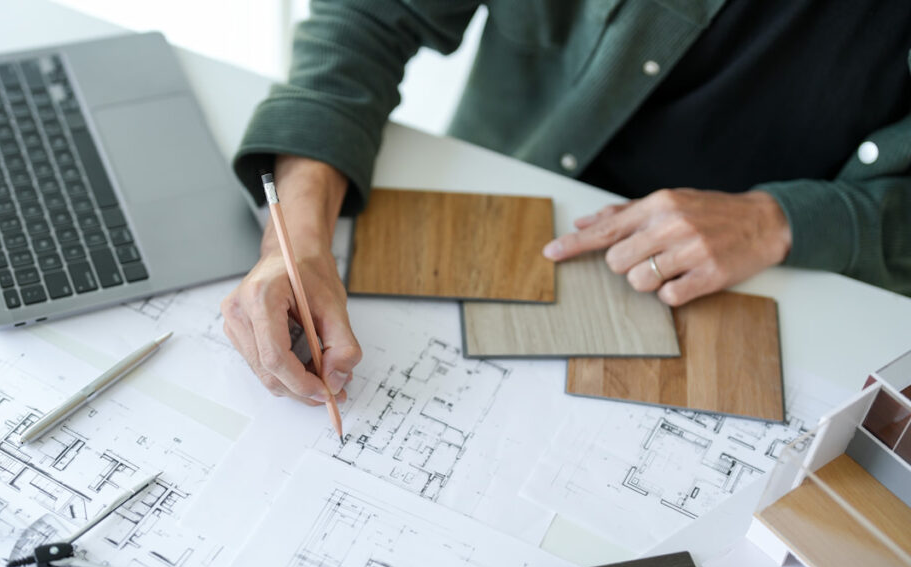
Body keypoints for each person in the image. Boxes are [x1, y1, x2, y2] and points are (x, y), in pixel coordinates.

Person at [221, 0, 911, 406]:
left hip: (785, 292)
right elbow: (371, 20)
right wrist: (296, 243)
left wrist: (778, 220)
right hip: (484, 224)